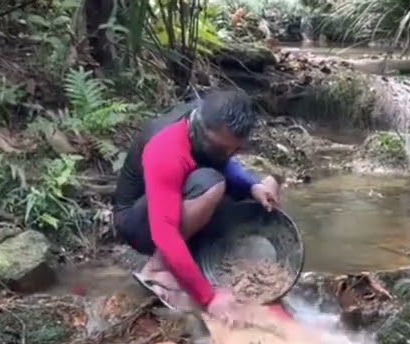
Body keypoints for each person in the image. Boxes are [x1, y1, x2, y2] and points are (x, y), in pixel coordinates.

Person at [112, 89, 282, 323]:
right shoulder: (165, 147)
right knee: (211, 184)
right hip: (137, 219)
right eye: (221, 148)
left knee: (247, 190)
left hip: (178, 198)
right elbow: (165, 233)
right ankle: (157, 269)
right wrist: (209, 298)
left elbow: (220, 160)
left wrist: (253, 186)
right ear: (200, 130)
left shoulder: (209, 129)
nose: (228, 154)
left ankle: (194, 259)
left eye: (235, 149)